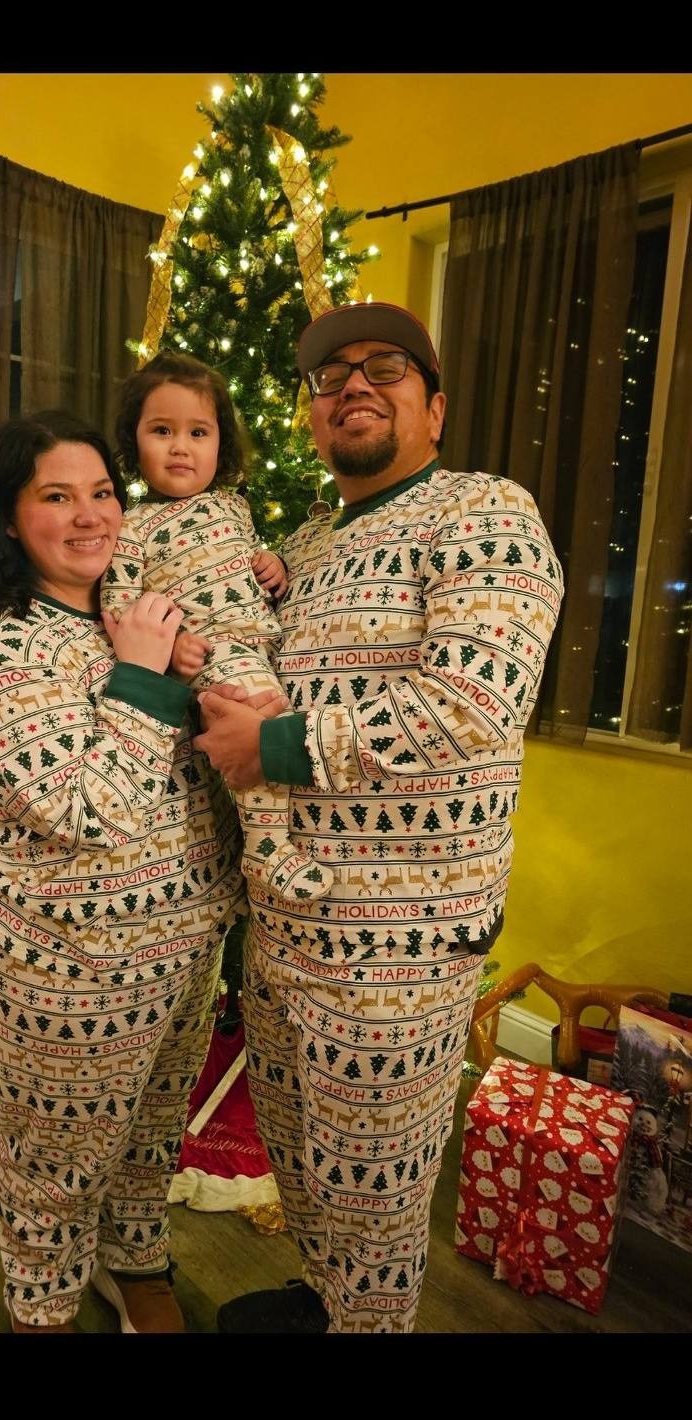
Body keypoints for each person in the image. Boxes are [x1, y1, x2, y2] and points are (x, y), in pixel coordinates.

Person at [193, 302, 564, 1333]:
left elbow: (473, 704)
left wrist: (271, 748)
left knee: (376, 1198)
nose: (352, 384)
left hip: (399, 951)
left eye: (385, 368)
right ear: (314, 416)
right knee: (300, 1158)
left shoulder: (484, 512)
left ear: (433, 409)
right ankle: (322, 1300)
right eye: (330, 376)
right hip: (282, 927)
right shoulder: (306, 543)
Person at [0, 409, 249, 1332]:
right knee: (60, 1159)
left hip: (186, 944)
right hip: (72, 968)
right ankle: (41, 1306)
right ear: (9, 519)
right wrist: (146, 673)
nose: (91, 516)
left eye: (104, 492)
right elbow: (93, 811)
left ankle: (134, 1261)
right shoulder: (0, 648)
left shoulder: (132, 614)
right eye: (57, 496)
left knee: (154, 1129)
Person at [102, 351, 332, 904]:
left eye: (198, 432)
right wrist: (171, 647)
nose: (180, 447)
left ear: (220, 445)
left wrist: (270, 564)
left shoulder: (234, 508)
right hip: (214, 652)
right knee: (258, 720)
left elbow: (250, 559)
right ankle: (267, 846)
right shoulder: (132, 526)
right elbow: (118, 608)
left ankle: (272, 837)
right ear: (134, 442)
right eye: (162, 431)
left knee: (280, 718)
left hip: (262, 641)